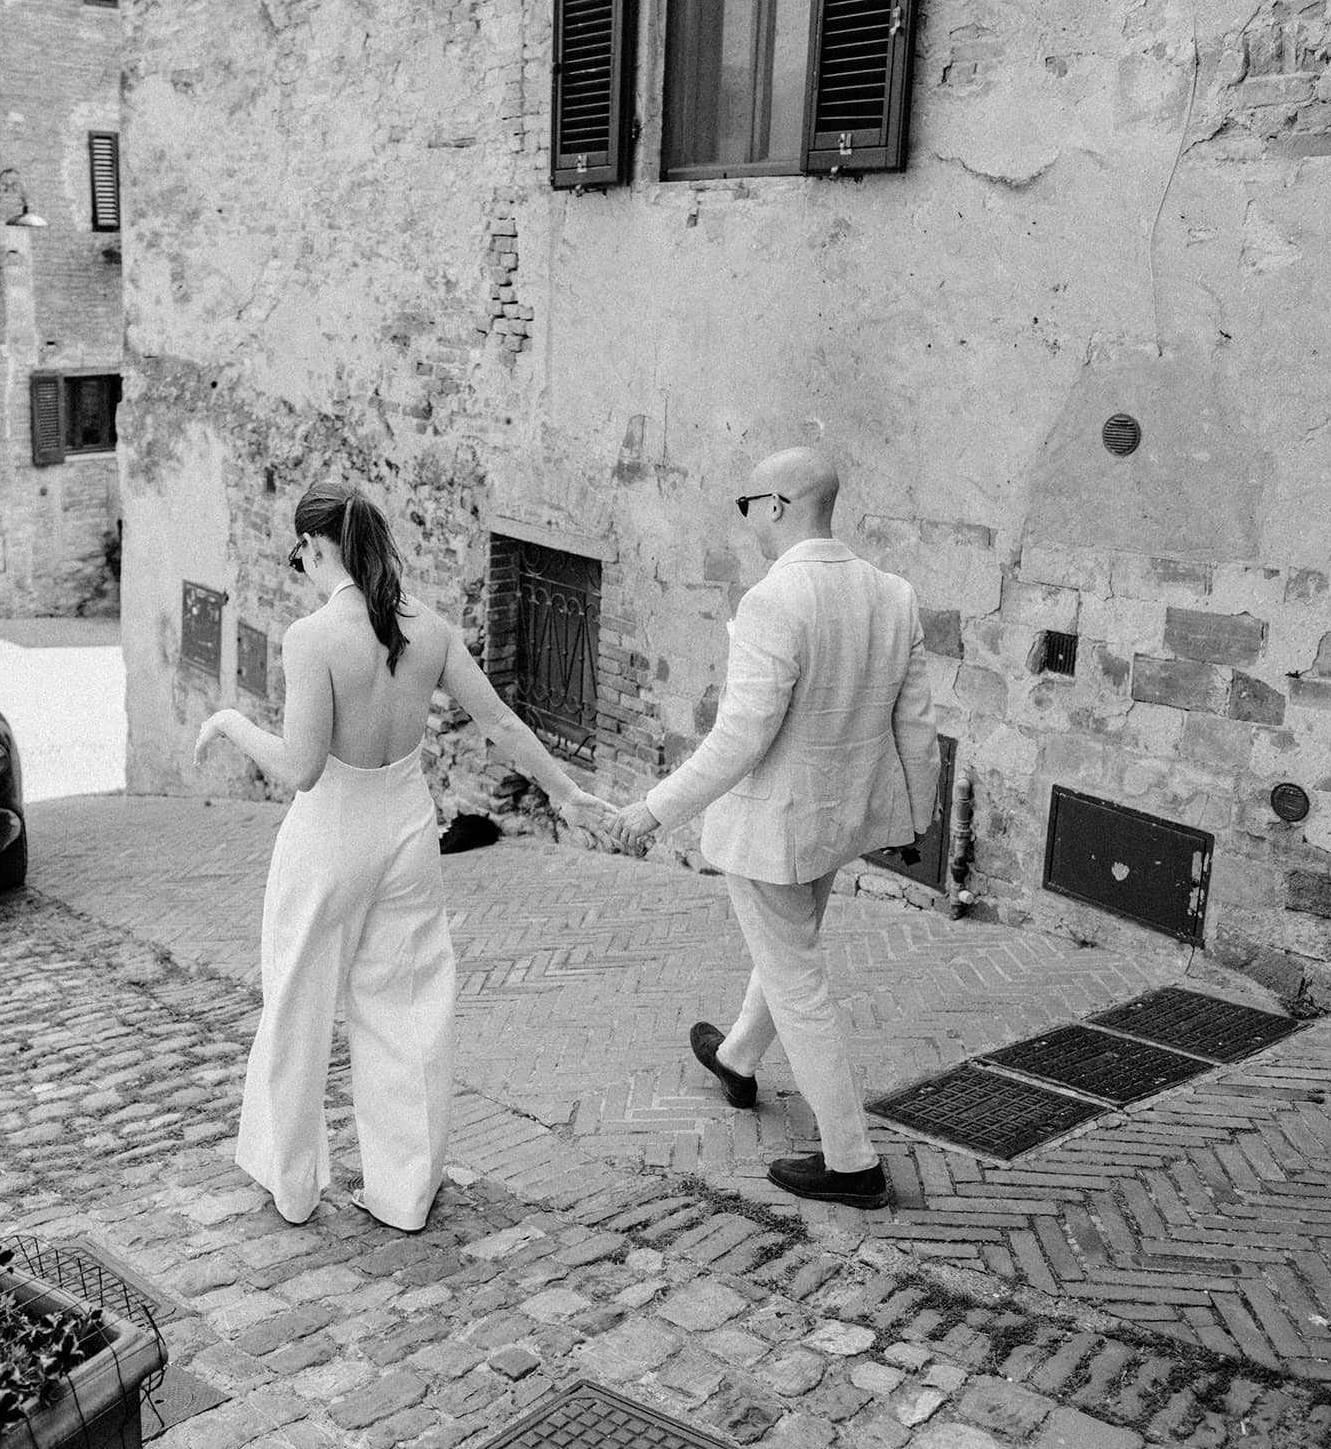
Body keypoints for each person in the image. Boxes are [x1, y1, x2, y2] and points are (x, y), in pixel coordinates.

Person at [196, 482, 611, 1231]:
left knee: (298, 1004)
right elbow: (501, 721)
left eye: (303, 556)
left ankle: (293, 1185)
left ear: (319, 549)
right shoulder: (433, 630)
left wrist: (229, 721)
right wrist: (565, 791)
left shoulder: (313, 637)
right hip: (408, 830)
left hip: (329, 837)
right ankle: (404, 1193)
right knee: (409, 1008)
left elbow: (300, 769)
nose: (305, 568)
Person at [611, 447, 938, 1210]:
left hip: (774, 832)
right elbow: (917, 726)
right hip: (837, 820)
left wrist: (652, 809)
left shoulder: (774, 600)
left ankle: (852, 1163)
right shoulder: (894, 594)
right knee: (788, 950)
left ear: (781, 504)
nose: (748, 518)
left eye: (748, 502)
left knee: (800, 983)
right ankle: (736, 1059)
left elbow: (739, 739)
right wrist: (912, 819)